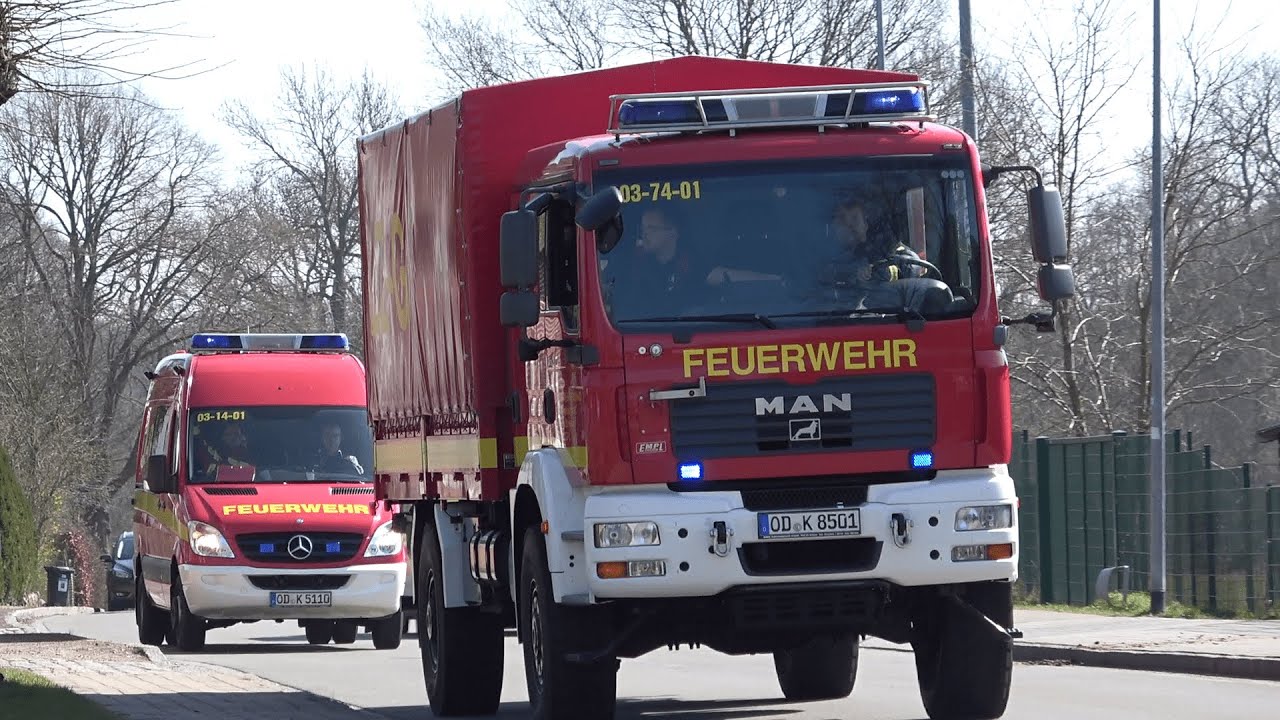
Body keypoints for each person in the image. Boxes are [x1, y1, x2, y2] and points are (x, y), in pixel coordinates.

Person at [823, 197, 924, 288]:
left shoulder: (889, 251)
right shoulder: (825, 259)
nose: (849, 225)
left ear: (866, 224)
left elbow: (911, 267)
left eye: (855, 218)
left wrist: (876, 273)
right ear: (833, 228)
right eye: (842, 220)